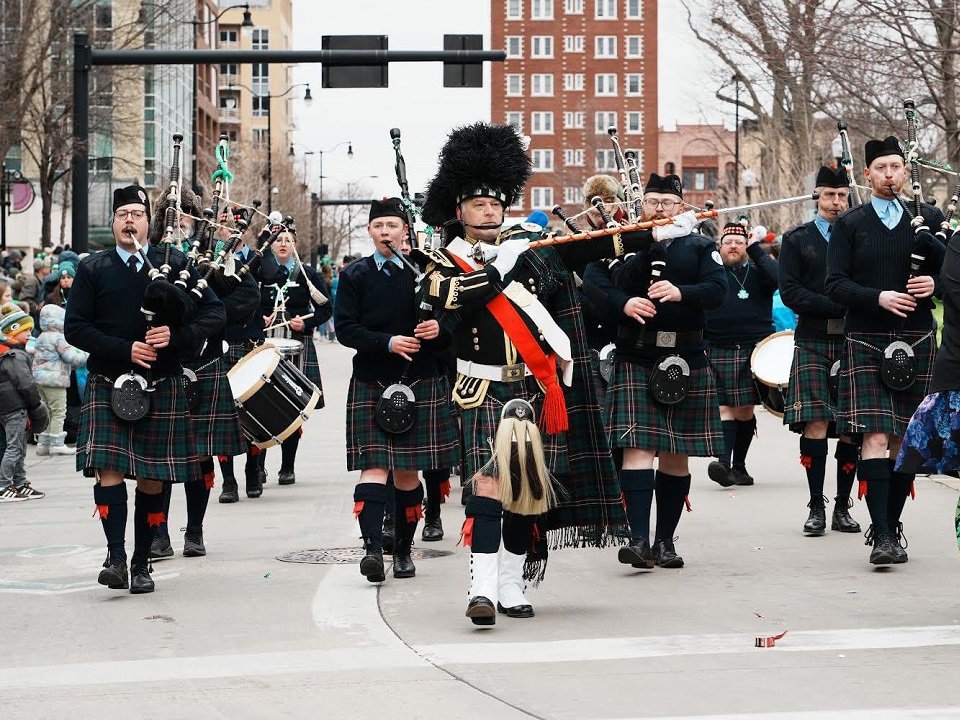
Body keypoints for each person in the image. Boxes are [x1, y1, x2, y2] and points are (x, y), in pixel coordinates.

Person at [418, 123, 695, 624]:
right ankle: (480, 588)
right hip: (479, 385)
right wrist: (498, 267)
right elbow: (452, 298)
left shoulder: (529, 246)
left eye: (495, 204)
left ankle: (511, 583)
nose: (488, 211)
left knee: (525, 487)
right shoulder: (438, 260)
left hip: (533, 383)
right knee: (488, 486)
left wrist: (654, 229)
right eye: (477, 205)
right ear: (458, 210)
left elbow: (590, 246)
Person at [64, 184, 225, 593]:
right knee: (110, 471)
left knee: (153, 478)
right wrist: (125, 349)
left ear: (149, 222)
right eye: (123, 215)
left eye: (137, 214)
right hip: (109, 381)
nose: (130, 221)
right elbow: (76, 328)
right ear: (113, 222)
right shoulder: (93, 268)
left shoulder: (172, 264)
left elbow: (214, 313)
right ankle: (116, 557)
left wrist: (177, 336)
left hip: (162, 382)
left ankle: (141, 562)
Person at [584, 173, 726, 569]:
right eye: (652, 202)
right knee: (638, 448)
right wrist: (624, 303)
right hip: (637, 356)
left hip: (686, 358)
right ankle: (637, 539)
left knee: (676, 455)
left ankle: (665, 542)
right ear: (639, 205)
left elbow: (718, 291)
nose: (659, 210)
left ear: (681, 207)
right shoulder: (623, 245)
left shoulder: (699, 246)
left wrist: (683, 292)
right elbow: (598, 284)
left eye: (667, 203)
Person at [826, 136, 945, 565]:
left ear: (905, 170)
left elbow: (952, 271)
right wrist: (878, 297)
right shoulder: (851, 224)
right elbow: (834, 283)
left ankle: (892, 526)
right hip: (867, 337)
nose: (890, 174)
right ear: (867, 174)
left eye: (896, 166)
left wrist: (937, 284)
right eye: (881, 168)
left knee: (904, 439)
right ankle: (880, 535)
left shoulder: (928, 218)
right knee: (875, 436)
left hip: (917, 337)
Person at [335, 197, 460, 581]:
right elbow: (345, 328)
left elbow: (453, 318)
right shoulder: (355, 275)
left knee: (407, 474)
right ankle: (373, 548)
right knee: (372, 467)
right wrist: (388, 342)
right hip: (373, 379)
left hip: (420, 380)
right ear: (370, 231)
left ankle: (403, 552)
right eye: (379, 226)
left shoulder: (428, 272)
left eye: (392, 225)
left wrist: (439, 329)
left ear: (406, 230)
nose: (385, 232)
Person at [147, 189, 252, 559]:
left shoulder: (216, 262)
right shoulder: (152, 258)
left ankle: (195, 529)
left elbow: (247, 299)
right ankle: (157, 531)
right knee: (157, 458)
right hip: (162, 369)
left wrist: (206, 300)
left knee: (201, 456)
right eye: (175, 216)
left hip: (204, 363)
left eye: (188, 216)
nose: (182, 222)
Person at [779, 166, 861, 535]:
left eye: (842, 195)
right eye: (829, 195)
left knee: (850, 425)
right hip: (813, 338)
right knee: (815, 421)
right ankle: (816, 506)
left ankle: (843, 506)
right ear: (817, 196)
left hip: (852, 339)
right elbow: (790, 291)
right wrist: (837, 305)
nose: (836, 202)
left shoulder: (861, 235)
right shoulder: (798, 239)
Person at [704, 222, 779, 487]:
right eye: (728, 242)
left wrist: (756, 247)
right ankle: (723, 464)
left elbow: (779, 278)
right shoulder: (711, 274)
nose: (733, 246)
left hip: (753, 348)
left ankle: (739, 466)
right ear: (720, 247)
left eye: (739, 242)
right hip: (716, 347)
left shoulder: (759, 273)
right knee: (724, 407)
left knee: (745, 410)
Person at [217, 210, 284, 503]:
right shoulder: (208, 257)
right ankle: (228, 480)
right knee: (222, 417)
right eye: (223, 222)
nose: (228, 228)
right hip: (218, 344)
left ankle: (253, 469)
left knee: (257, 410)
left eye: (234, 223)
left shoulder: (255, 257)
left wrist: (263, 243)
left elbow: (271, 274)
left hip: (251, 342)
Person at [259, 223, 332, 486]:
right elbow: (244, 303)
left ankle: (287, 467)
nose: (282, 243)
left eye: (288, 240)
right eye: (278, 239)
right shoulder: (260, 270)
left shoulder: (307, 274)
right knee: (259, 403)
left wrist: (307, 323)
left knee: (291, 407)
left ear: (295, 245)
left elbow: (325, 309)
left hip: (296, 344)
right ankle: (257, 467)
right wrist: (259, 319)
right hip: (264, 345)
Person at [0, 303, 49, 502]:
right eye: (25, 330)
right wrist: (35, 405)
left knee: (15, 445)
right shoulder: (15, 355)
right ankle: (4, 486)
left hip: (6, 407)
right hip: (14, 407)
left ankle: (19, 482)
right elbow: (26, 383)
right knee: (15, 447)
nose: (29, 333)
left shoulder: (4, 352)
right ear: (13, 331)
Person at [27, 304, 88, 456]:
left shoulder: (41, 336)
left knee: (46, 411)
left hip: (39, 379)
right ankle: (56, 444)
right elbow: (72, 358)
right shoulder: (59, 338)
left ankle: (43, 443)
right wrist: (87, 355)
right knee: (59, 411)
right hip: (55, 380)